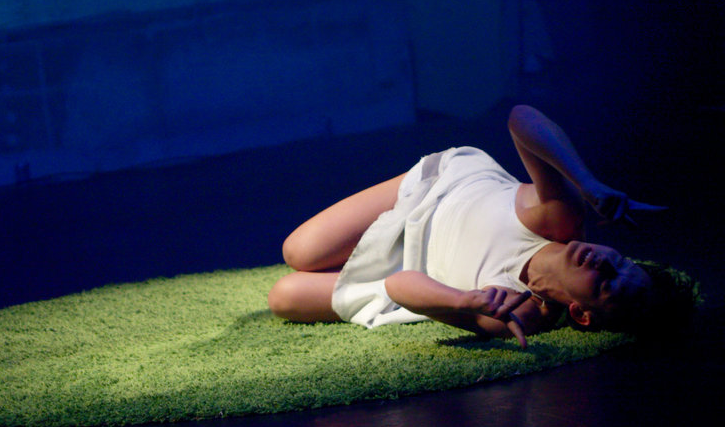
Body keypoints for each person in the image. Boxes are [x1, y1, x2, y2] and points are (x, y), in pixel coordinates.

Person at [268, 104, 677, 348]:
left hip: (414, 265)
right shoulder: (562, 218)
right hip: (435, 192)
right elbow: (520, 117)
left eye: (604, 283)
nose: (602, 263)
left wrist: (463, 302)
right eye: (618, 261)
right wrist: (585, 181)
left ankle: (363, 259)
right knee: (298, 251)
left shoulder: (520, 312)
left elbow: (398, 285)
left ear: (580, 314)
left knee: (283, 296)